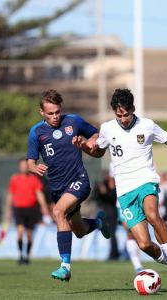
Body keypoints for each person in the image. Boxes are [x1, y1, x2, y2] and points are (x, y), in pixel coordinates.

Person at [80, 88, 167, 290]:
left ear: (133, 109)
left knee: (152, 214)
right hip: (124, 191)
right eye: (119, 115)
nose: (123, 119)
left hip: (145, 180)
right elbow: (98, 152)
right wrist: (83, 147)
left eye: (126, 114)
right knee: (143, 244)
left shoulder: (147, 125)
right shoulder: (107, 128)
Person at [27, 89, 111, 282]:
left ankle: (65, 267)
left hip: (78, 181)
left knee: (58, 213)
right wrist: (34, 168)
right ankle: (98, 222)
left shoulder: (74, 121)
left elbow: (95, 134)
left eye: (57, 112)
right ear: (42, 112)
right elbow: (30, 161)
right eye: (50, 113)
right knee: (79, 231)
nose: (55, 116)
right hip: (57, 189)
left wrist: (88, 142)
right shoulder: (36, 132)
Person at [5, 158, 50, 265]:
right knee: (20, 232)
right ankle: (21, 255)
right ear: (19, 167)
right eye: (22, 165)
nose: (24, 167)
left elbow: (39, 193)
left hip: (31, 209)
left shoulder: (35, 179)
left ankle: (27, 256)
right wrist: (8, 209)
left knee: (29, 235)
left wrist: (44, 207)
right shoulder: (14, 179)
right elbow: (10, 194)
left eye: (26, 165)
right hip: (18, 209)